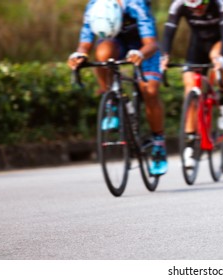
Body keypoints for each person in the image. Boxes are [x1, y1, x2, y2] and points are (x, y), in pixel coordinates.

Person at [67, 0, 168, 176]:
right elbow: (85, 43)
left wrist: (141, 54)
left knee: (150, 91)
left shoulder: (135, 5)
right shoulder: (94, 7)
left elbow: (152, 43)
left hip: (142, 45)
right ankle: (112, 99)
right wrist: (79, 55)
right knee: (102, 55)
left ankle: (158, 143)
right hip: (114, 42)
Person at [160, 0, 223, 167]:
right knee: (190, 88)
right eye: (193, 8)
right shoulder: (179, 4)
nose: (197, 11)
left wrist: (222, 57)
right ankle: (190, 142)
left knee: (217, 64)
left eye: (200, 6)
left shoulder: (220, 3)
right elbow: (168, 32)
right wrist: (165, 56)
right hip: (197, 45)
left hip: (221, 42)